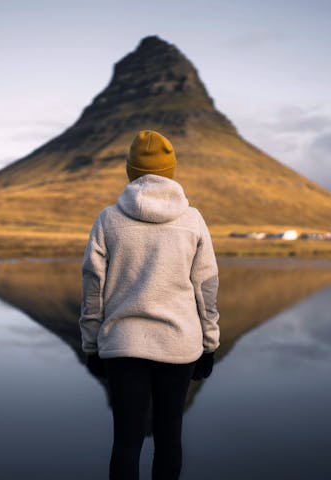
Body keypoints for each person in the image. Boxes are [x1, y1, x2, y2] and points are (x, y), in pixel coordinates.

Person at [79, 129, 220, 480]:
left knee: (126, 442)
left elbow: (93, 287)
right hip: (179, 347)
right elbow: (206, 287)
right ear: (170, 171)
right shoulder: (193, 220)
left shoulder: (108, 219)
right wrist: (209, 343)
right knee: (170, 438)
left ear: (131, 170)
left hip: (123, 346)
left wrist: (91, 344)